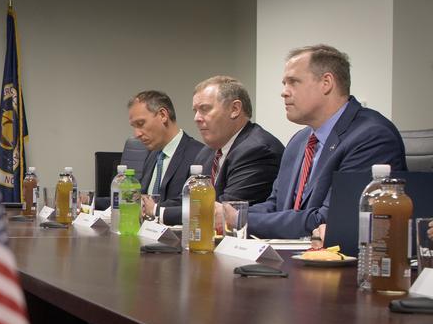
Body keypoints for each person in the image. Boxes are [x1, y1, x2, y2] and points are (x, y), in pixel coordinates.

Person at [242, 45, 406, 239]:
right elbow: (275, 205)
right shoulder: (300, 140)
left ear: (326, 83)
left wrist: (240, 219)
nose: (284, 92)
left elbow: (329, 220)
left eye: (293, 82)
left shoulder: (372, 137)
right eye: (284, 83)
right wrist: (230, 215)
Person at [160, 76, 284, 226]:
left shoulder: (257, 150)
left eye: (204, 109)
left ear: (234, 109)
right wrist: (151, 208)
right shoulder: (207, 152)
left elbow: (224, 209)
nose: (196, 118)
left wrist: (159, 213)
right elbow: (189, 199)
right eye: (196, 111)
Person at [126, 90, 205, 224]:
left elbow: (191, 205)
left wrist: (154, 209)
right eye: (134, 127)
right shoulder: (152, 155)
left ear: (163, 115)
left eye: (140, 124)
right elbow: (140, 197)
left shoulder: (199, 155)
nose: (136, 134)